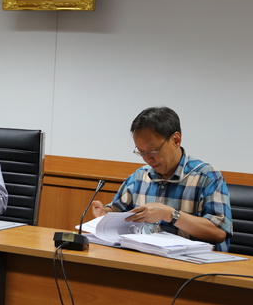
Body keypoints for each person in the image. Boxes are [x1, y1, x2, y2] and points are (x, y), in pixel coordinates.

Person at [91, 106, 232, 251]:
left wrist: (169, 214)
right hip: (145, 258)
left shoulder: (207, 176)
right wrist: (104, 214)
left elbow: (218, 232)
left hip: (189, 262)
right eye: (141, 152)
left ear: (176, 140)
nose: (148, 159)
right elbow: (117, 211)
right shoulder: (140, 177)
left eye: (153, 151)